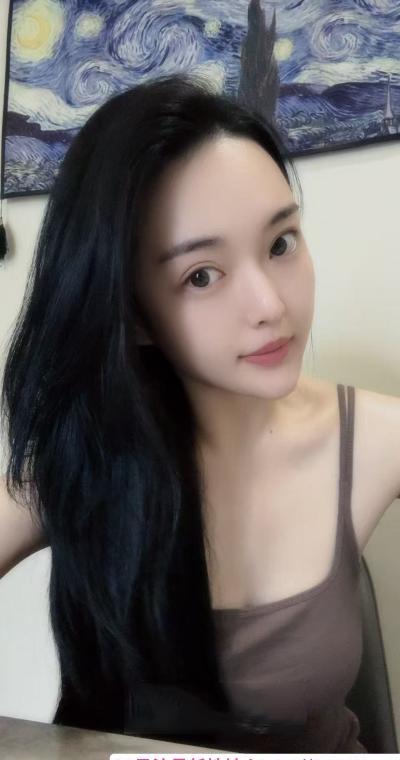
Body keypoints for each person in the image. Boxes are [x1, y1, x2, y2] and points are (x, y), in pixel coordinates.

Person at [1, 71, 400, 753]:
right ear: (132, 314)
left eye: (281, 243)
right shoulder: (84, 457)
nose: (270, 305)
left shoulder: (379, 437)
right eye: (201, 276)